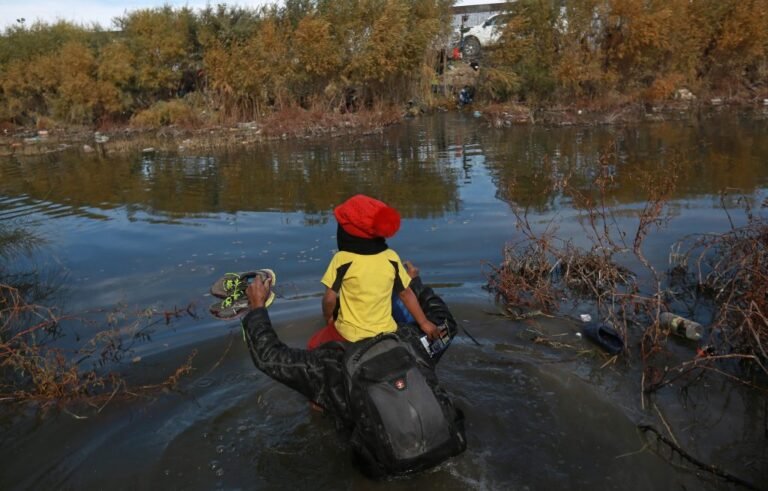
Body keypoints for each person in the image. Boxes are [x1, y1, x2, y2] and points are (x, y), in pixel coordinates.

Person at [240, 263, 466, 477]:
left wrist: (257, 308)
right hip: (447, 447)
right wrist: (415, 282)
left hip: (386, 468)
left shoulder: (331, 364)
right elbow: (446, 323)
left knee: (323, 405)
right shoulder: (414, 342)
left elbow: (270, 358)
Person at [309, 194, 439, 349]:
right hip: (386, 332)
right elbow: (406, 294)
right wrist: (424, 323)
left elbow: (329, 299)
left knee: (313, 345)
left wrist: (329, 318)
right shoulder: (391, 257)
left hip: (350, 335)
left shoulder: (342, 259)